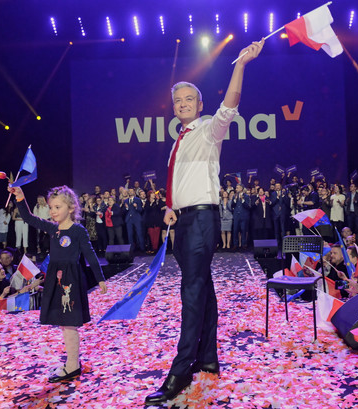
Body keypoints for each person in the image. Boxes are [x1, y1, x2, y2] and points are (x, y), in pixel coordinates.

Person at [145, 39, 264, 405]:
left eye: (188, 99)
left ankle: (180, 371)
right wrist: (168, 206)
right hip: (181, 220)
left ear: (199, 105)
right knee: (203, 288)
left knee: (191, 292)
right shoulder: (177, 140)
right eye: (177, 100)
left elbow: (230, 105)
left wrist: (240, 64)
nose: (182, 104)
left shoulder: (211, 129)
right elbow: (178, 184)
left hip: (201, 221)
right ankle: (208, 357)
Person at [8, 184, 107, 383]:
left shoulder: (78, 231)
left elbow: (90, 255)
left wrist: (100, 278)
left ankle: (72, 365)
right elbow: (28, 218)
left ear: (71, 208)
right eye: (51, 207)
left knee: (69, 324)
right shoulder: (52, 228)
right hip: (56, 277)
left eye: (57, 207)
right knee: (64, 324)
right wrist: (20, 197)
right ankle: (72, 362)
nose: (52, 211)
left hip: (70, 279)